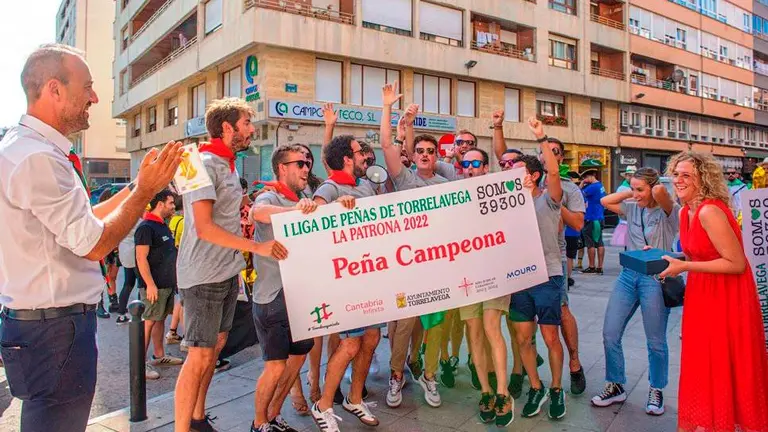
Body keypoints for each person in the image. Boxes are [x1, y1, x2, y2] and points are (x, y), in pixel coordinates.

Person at [0, 43, 182, 432]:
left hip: (46, 327)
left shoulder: (27, 150)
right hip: (55, 331)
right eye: (88, 86)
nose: (95, 98)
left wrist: (138, 185)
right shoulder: (38, 159)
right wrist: (144, 192)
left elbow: (83, 220)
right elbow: (94, 243)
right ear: (54, 89)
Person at [174, 98, 287, 432]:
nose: (252, 129)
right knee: (199, 356)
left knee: (215, 350)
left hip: (227, 272)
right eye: (247, 123)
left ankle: (197, 418)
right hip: (202, 275)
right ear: (227, 127)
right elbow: (206, 227)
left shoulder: (229, 164)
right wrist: (258, 247)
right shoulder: (199, 162)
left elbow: (230, 214)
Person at [661, 152, 768, 432]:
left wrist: (684, 265)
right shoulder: (686, 210)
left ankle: (722, 421)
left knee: (722, 363)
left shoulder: (709, 210)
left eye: (687, 175)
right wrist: (670, 256)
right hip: (703, 292)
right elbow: (700, 250)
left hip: (727, 296)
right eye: (676, 174)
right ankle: (707, 419)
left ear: (702, 179)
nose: (679, 180)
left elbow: (736, 264)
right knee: (703, 363)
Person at [381, 86, 452, 409]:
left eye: (430, 151)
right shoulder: (405, 180)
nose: (424, 154)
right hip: (405, 266)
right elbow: (387, 146)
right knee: (404, 323)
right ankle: (396, 376)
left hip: (435, 267)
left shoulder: (446, 186)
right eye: (419, 150)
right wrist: (389, 110)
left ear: (436, 157)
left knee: (430, 325)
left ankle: (428, 374)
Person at [592, 168, 678, 415]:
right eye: (633, 189)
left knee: (655, 341)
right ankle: (616, 384)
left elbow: (662, 192)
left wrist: (650, 187)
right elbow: (605, 201)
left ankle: (657, 388)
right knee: (610, 332)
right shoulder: (632, 208)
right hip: (628, 275)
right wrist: (635, 190)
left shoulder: (667, 213)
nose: (635, 194)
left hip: (656, 277)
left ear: (653, 187)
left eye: (641, 189)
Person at [310, 133, 379, 432]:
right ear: (347, 159)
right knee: (350, 343)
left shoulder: (365, 185)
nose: (365, 156)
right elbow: (312, 222)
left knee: (371, 340)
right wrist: (335, 207)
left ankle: (354, 399)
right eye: (358, 152)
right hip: (346, 279)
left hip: (372, 276)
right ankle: (323, 405)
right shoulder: (330, 187)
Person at [248, 144, 317, 432]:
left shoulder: (303, 197)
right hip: (273, 296)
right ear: (282, 168)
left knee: (298, 355)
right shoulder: (271, 195)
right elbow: (258, 212)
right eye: (299, 164)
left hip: (299, 295)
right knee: (275, 365)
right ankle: (259, 424)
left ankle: (274, 415)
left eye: (307, 164)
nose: (305, 169)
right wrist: (294, 209)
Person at [508, 117, 567, 420]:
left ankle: (557, 389)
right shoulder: (506, 206)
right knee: (522, 339)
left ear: (532, 176)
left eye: (518, 172)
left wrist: (542, 138)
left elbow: (554, 171)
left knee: (550, 338)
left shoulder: (549, 201)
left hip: (547, 277)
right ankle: (536, 386)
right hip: (520, 279)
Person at [456, 147, 514, 426]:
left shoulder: (499, 192)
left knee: (492, 326)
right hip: (466, 276)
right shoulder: (452, 198)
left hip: (494, 273)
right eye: (465, 163)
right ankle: (486, 391)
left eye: (475, 163)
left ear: (485, 167)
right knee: (474, 333)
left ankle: (503, 392)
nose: (470, 167)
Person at [135, 189, 184, 380]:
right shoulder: (146, 227)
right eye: (171, 203)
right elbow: (141, 258)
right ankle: (139, 363)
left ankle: (159, 355)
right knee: (148, 322)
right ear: (161, 204)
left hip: (165, 284)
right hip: (153, 286)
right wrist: (150, 285)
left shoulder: (162, 225)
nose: (173, 206)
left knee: (159, 319)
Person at [166, 195, 185, 343]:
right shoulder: (184, 222)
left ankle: (172, 330)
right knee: (185, 301)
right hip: (183, 261)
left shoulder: (172, 220)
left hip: (174, 261)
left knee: (180, 299)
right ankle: (187, 337)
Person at [580, 169, 606, 275]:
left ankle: (591, 266)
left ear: (590, 177)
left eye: (585, 178)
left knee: (590, 243)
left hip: (591, 217)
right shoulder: (600, 186)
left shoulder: (592, 187)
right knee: (599, 242)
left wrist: (581, 185)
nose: (584, 180)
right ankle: (600, 267)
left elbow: (578, 194)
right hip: (600, 216)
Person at [115, 220, 140, 325]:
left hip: (125, 253)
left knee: (128, 283)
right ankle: (140, 312)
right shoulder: (138, 220)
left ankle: (121, 314)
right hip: (136, 253)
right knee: (142, 284)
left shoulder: (123, 219)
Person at [612, 165, 637, 249]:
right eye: (629, 175)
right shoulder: (622, 188)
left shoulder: (636, 187)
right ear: (626, 176)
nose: (631, 177)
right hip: (626, 221)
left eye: (633, 175)